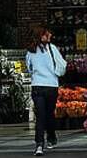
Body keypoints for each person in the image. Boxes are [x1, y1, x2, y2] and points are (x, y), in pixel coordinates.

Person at [25, 26, 67, 156]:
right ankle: (51, 138)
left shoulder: (30, 51)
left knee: (40, 116)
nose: (50, 34)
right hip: (51, 85)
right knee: (49, 114)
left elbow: (29, 68)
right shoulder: (52, 49)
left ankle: (39, 145)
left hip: (37, 85)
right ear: (41, 36)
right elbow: (62, 65)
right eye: (47, 33)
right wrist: (55, 73)